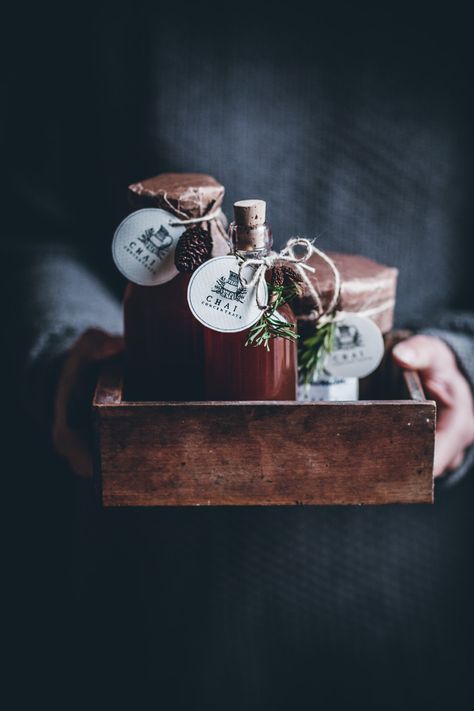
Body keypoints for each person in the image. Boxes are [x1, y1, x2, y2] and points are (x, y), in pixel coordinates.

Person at [4, 4, 474, 709]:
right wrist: (70, 348)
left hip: (417, 601)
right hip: (149, 604)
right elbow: (31, 222)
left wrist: (464, 361)